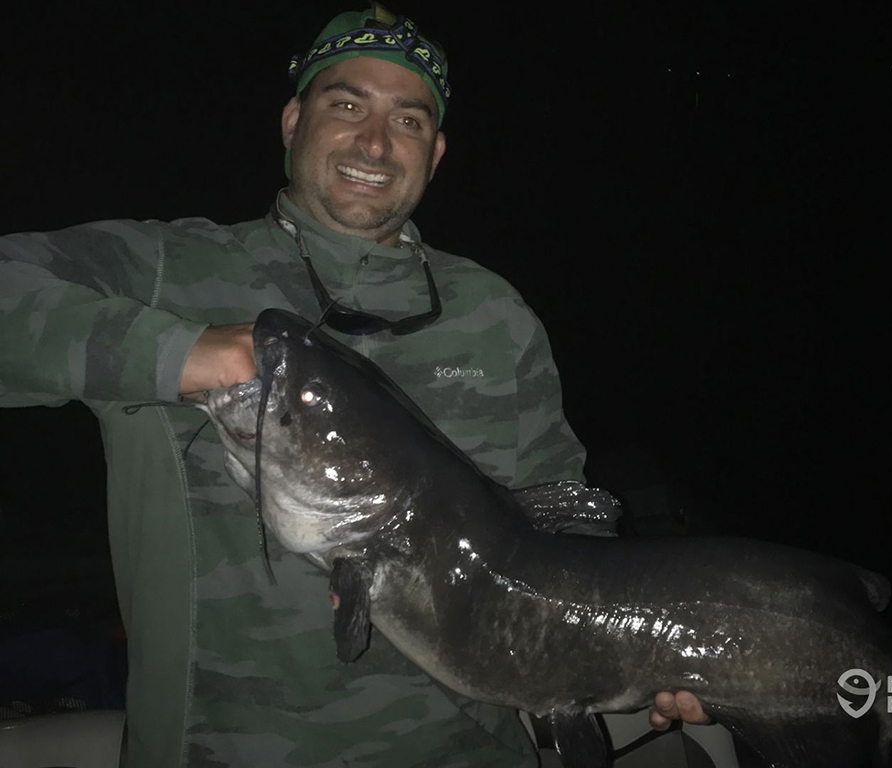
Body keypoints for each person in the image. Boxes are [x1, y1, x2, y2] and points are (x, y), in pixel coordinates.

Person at [0, 5, 707, 766]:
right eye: (346, 105)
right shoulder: (169, 271)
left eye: (407, 121)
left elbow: (565, 527)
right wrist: (182, 353)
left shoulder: (493, 314)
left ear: (434, 155)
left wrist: (642, 649)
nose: (374, 143)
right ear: (292, 120)